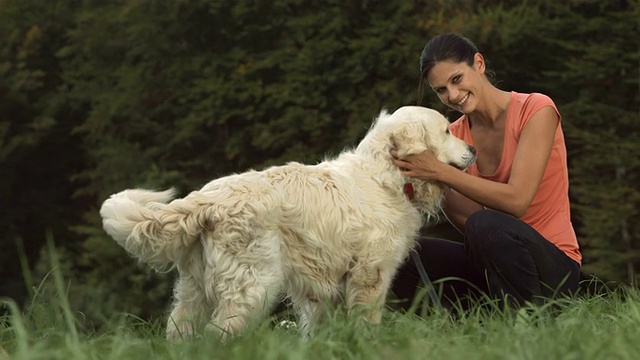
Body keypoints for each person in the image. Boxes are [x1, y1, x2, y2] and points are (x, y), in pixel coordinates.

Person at [390, 33, 582, 312]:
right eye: (441, 90)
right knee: (402, 252)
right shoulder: (454, 135)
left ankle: (529, 323)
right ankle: (461, 329)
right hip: (492, 262)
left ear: (478, 63)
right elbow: (469, 222)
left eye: (456, 79)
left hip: (554, 268)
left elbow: (518, 201)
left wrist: (441, 171)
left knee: (487, 223)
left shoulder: (536, 110)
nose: (452, 96)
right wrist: (425, 177)